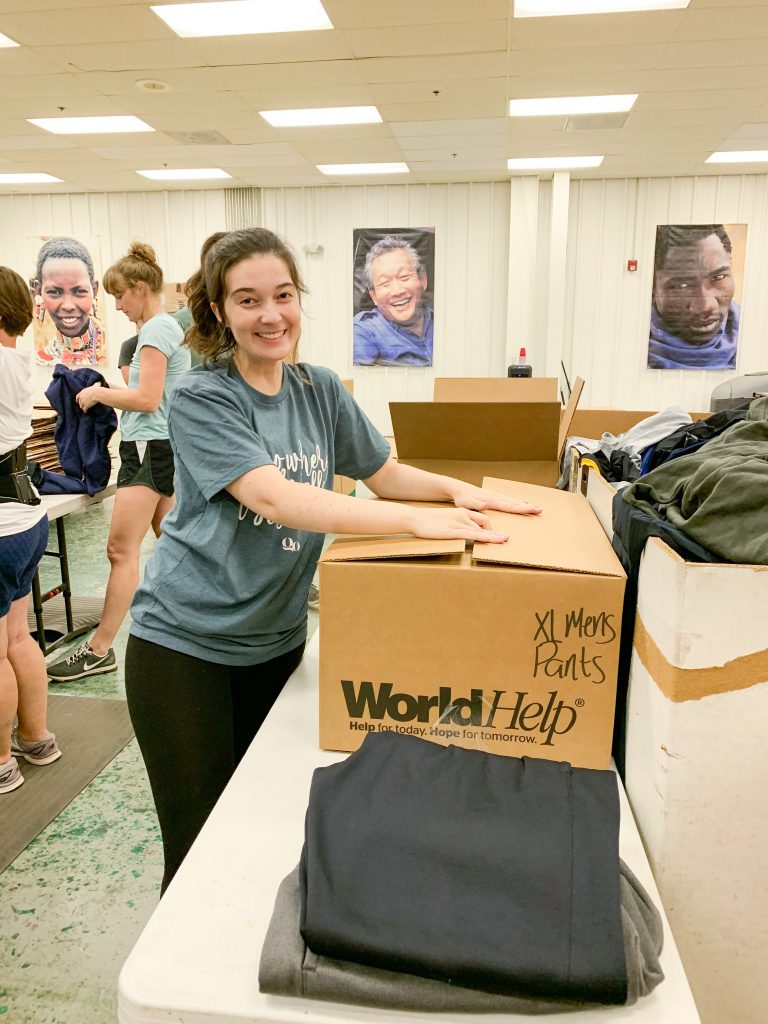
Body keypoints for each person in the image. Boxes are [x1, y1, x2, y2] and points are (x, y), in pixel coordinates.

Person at [123, 227, 542, 892]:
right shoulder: (205, 396)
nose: (270, 315)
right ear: (220, 311)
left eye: (283, 295)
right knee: (199, 850)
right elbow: (273, 496)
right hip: (185, 647)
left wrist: (460, 491)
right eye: (248, 300)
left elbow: (384, 472)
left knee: (269, 826)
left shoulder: (317, 388)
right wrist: (415, 521)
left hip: (276, 642)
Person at [46, 242, 191, 682]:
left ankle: (99, 649)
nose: (117, 306)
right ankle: (192, 633)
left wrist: (99, 392)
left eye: (120, 296)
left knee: (119, 550)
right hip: (161, 447)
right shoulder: (163, 328)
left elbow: (147, 399)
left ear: (141, 288)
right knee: (175, 547)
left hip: (149, 448)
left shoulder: (156, 331)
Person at [0, 267, 62, 793]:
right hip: (26, 520)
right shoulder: (22, 362)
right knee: (18, 637)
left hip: (2, 526)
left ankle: (1, 762)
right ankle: (36, 738)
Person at [648, 224, 739, 370]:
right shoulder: (627, 344)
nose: (706, 306)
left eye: (719, 277)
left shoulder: (756, 334)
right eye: (681, 285)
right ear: (652, 288)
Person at [353, 235, 434, 366]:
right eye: (385, 283)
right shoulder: (364, 331)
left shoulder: (441, 321)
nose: (397, 291)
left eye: (404, 277)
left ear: (422, 280)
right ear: (373, 295)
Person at [33, 236, 107, 368]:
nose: (68, 306)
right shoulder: (42, 360)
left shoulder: (114, 347)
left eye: (79, 291)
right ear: (39, 291)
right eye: (55, 292)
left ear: (94, 290)